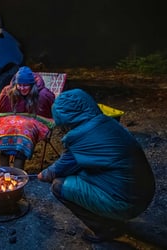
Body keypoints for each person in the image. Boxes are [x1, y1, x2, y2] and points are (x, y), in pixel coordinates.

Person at [38, 88, 155, 242]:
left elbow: (59, 169)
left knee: (58, 185)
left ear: (64, 117)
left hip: (128, 202)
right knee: (78, 173)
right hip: (143, 192)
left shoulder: (80, 137)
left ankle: (105, 229)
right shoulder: (106, 122)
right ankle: (110, 216)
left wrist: (42, 175)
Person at [0, 66, 55, 169]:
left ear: (31, 84)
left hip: (33, 122)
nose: (22, 88)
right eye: (19, 85)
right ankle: (3, 172)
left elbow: (48, 116)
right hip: (12, 120)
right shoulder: (8, 91)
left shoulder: (43, 94)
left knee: (22, 142)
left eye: (25, 85)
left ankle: (17, 174)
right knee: (5, 133)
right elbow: (2, 114)